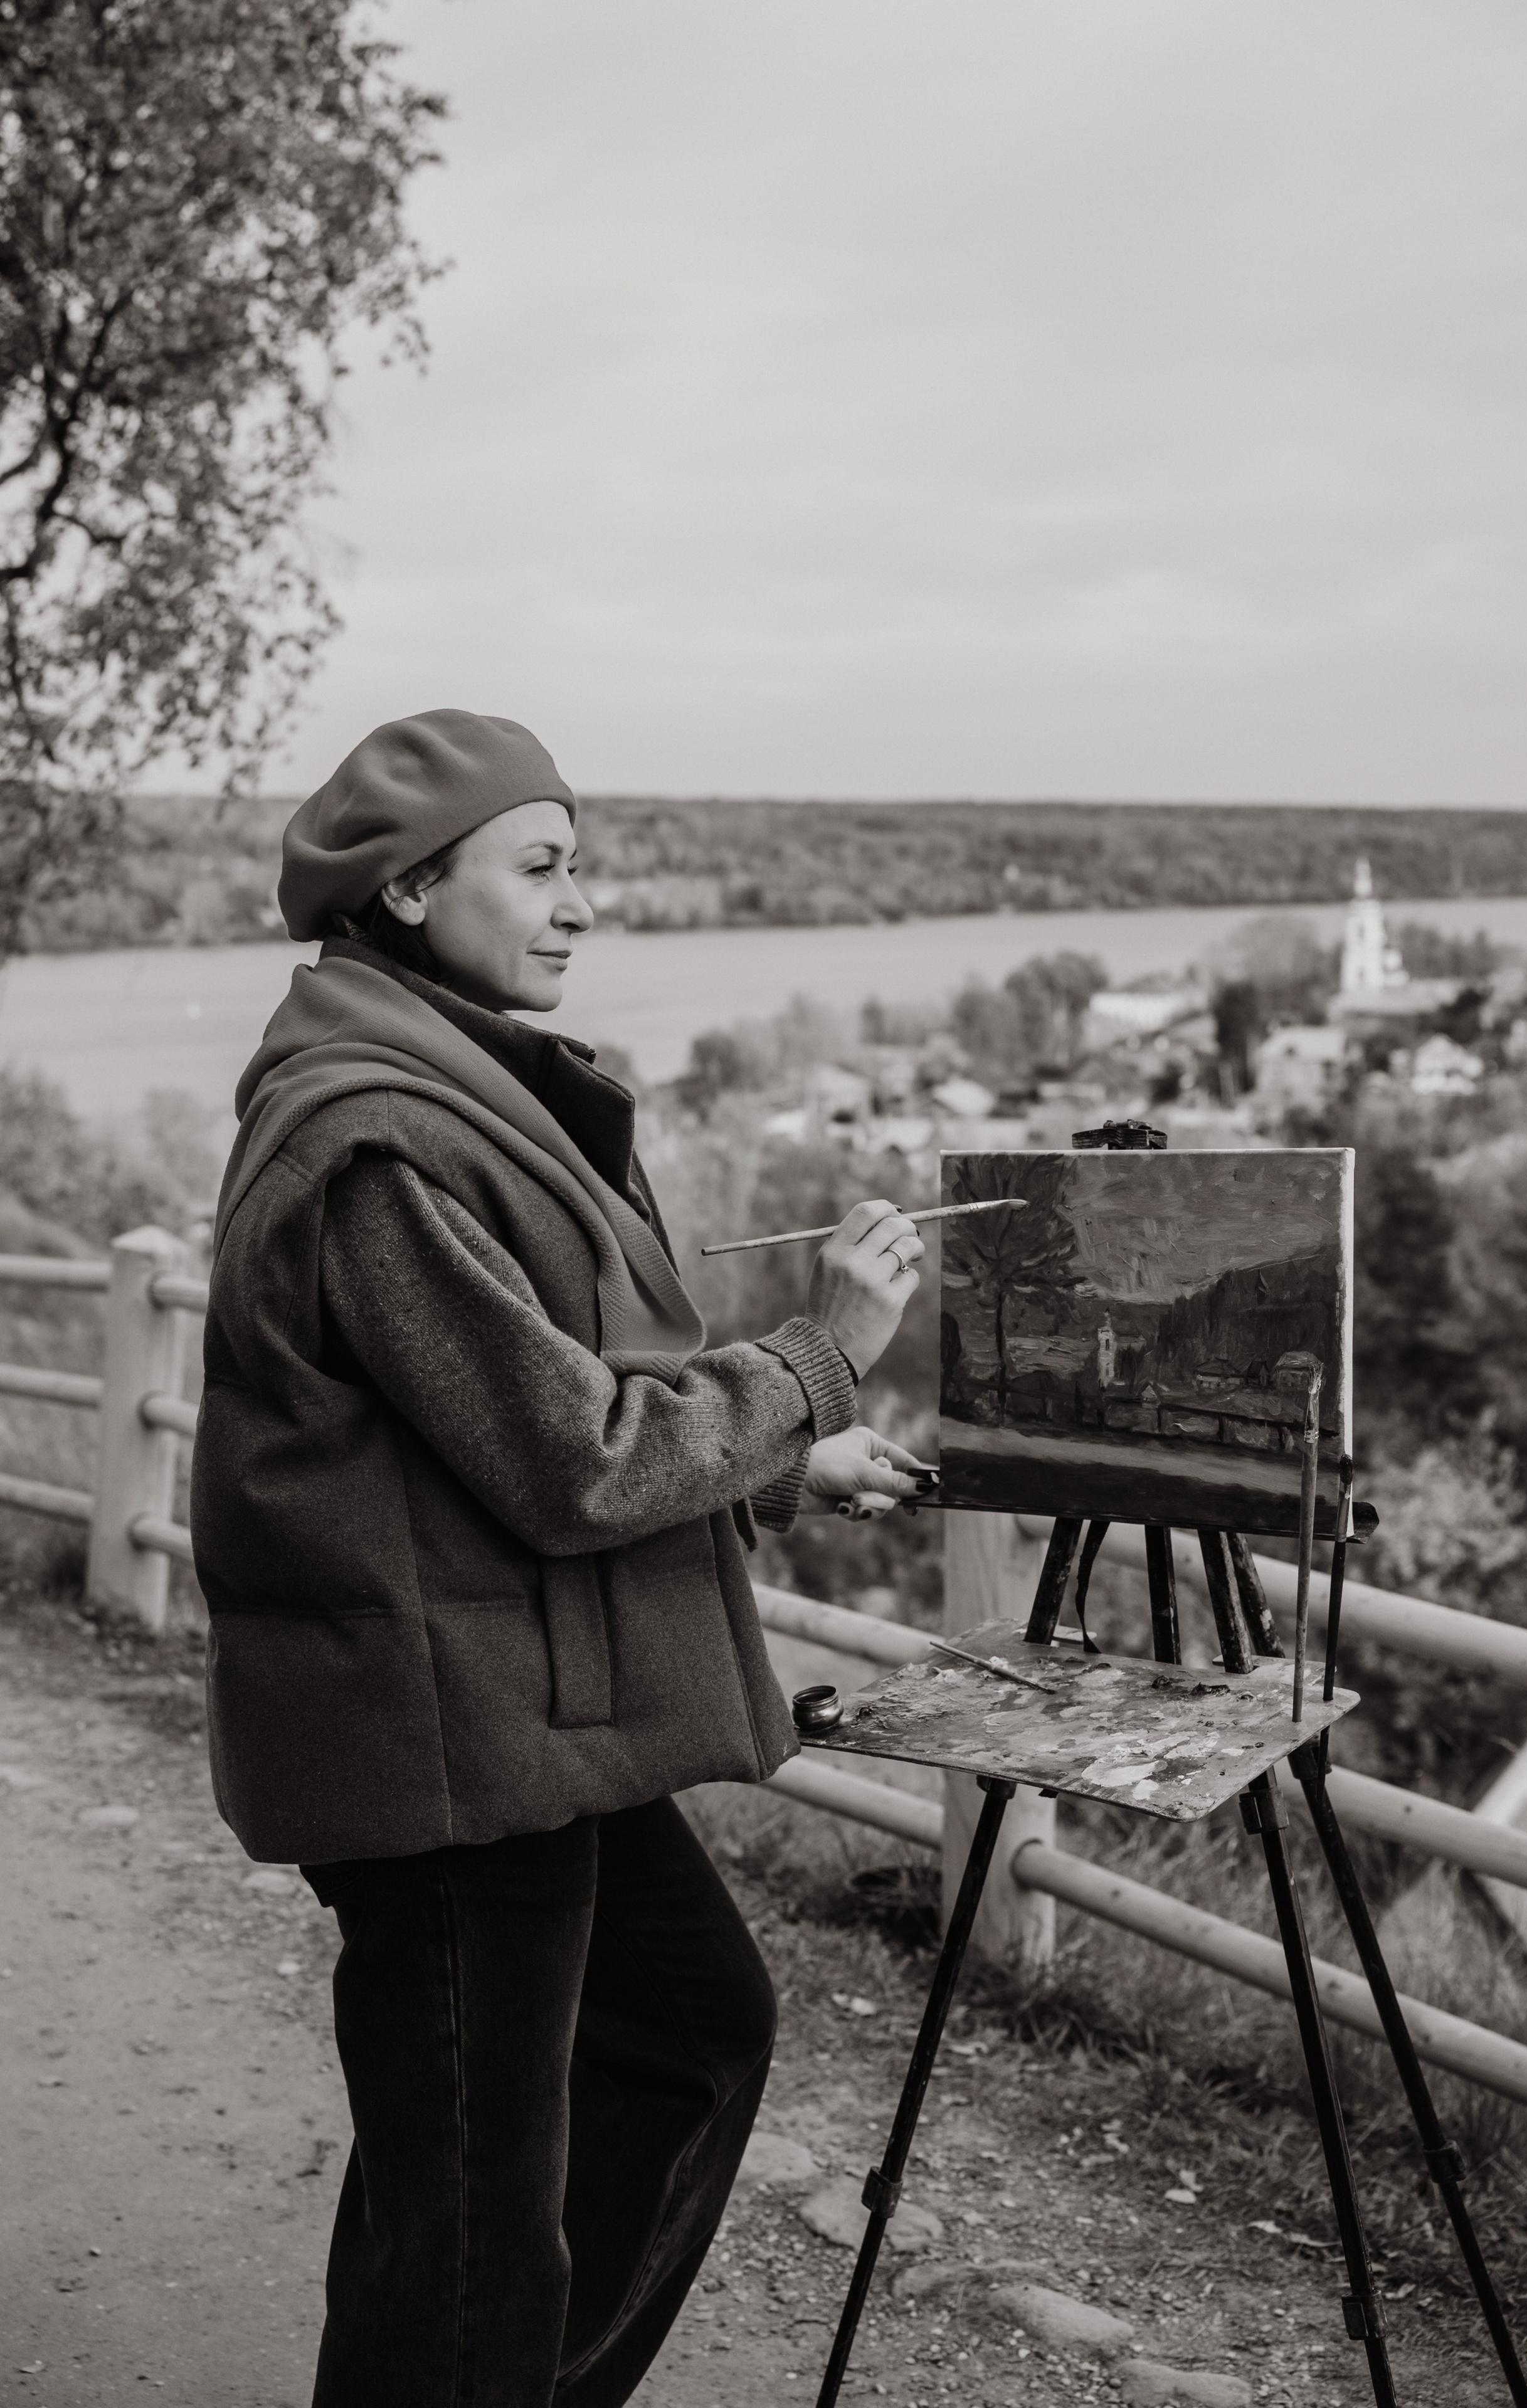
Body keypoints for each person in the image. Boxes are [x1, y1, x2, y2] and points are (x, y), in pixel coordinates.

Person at [188, 708, 928, 2407]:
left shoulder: (452, 1096)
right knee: (465, 2220)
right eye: (540, 868)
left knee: (676, 2038)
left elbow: (497, 1444)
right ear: (404, 891)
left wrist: (784, 1467)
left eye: (579, 863)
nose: (582, 901)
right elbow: (569, 1456)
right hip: (443, 1739)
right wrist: (823, 1355)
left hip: (520, 1715)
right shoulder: (373, 1143)